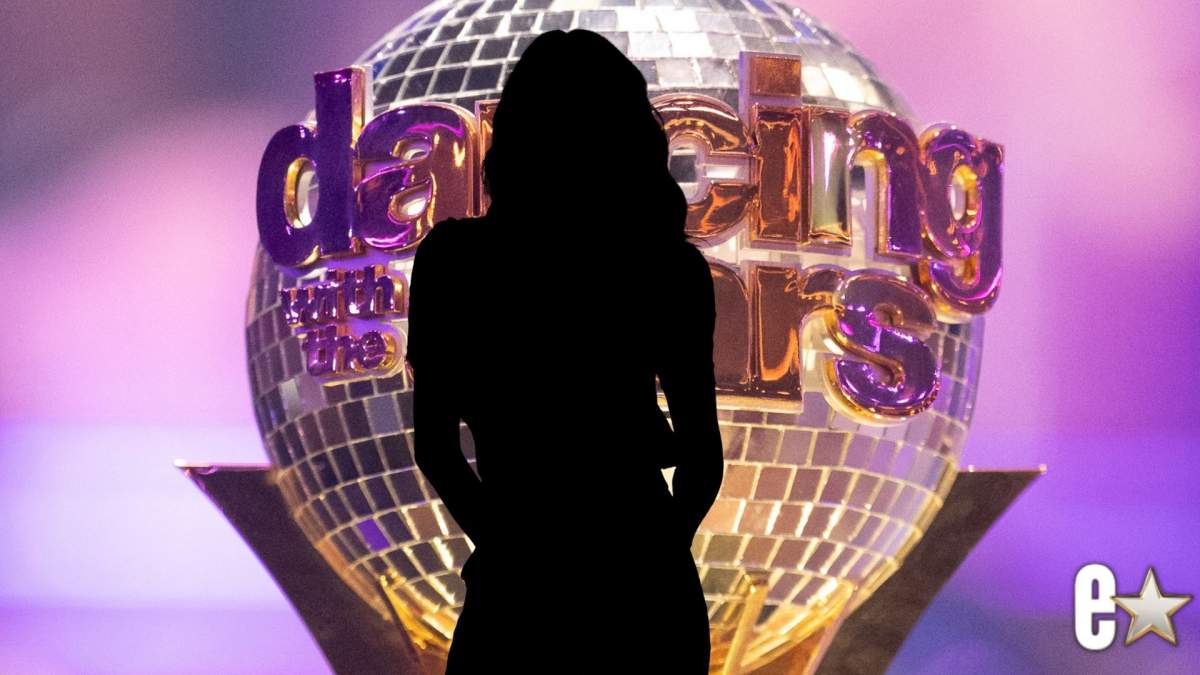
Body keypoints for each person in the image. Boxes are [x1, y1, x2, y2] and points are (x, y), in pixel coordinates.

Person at [405, 28, 724, 673]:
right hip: (646, 586)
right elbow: (702, 457)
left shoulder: (454, 260)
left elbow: (437, 448)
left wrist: (507, 549)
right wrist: (656, 555)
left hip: (517, 590)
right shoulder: (668, 268)